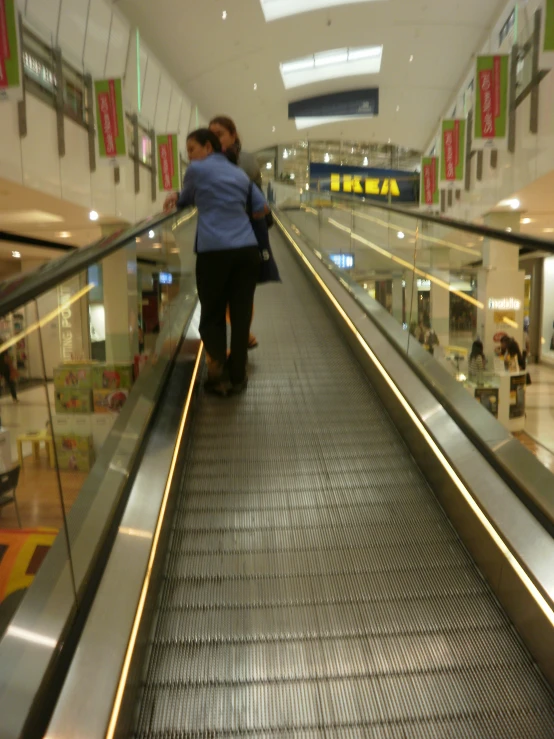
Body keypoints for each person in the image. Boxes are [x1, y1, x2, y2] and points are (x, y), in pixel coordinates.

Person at [163, 129, 267, 396]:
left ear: (208, 147)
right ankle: (238, 375)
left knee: (212, 313)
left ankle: (217, 374)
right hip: (246, 251)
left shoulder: (197, 171)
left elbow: (185, 199)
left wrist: (180, 196)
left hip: (214, 252)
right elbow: (260, 208)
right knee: (241, 315)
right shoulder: (239, 173)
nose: (189, 156)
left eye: (191, 149)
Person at [209, 115, 262, 350]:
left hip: (241, 235)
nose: (215, 138)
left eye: (220, 133)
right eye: (212, 134)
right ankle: (240, 339)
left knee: (240, 292)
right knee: (228, 293)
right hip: (218, 237)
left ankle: (239, 341)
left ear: (233, 135)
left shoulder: (245, 161)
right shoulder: (210, 160)